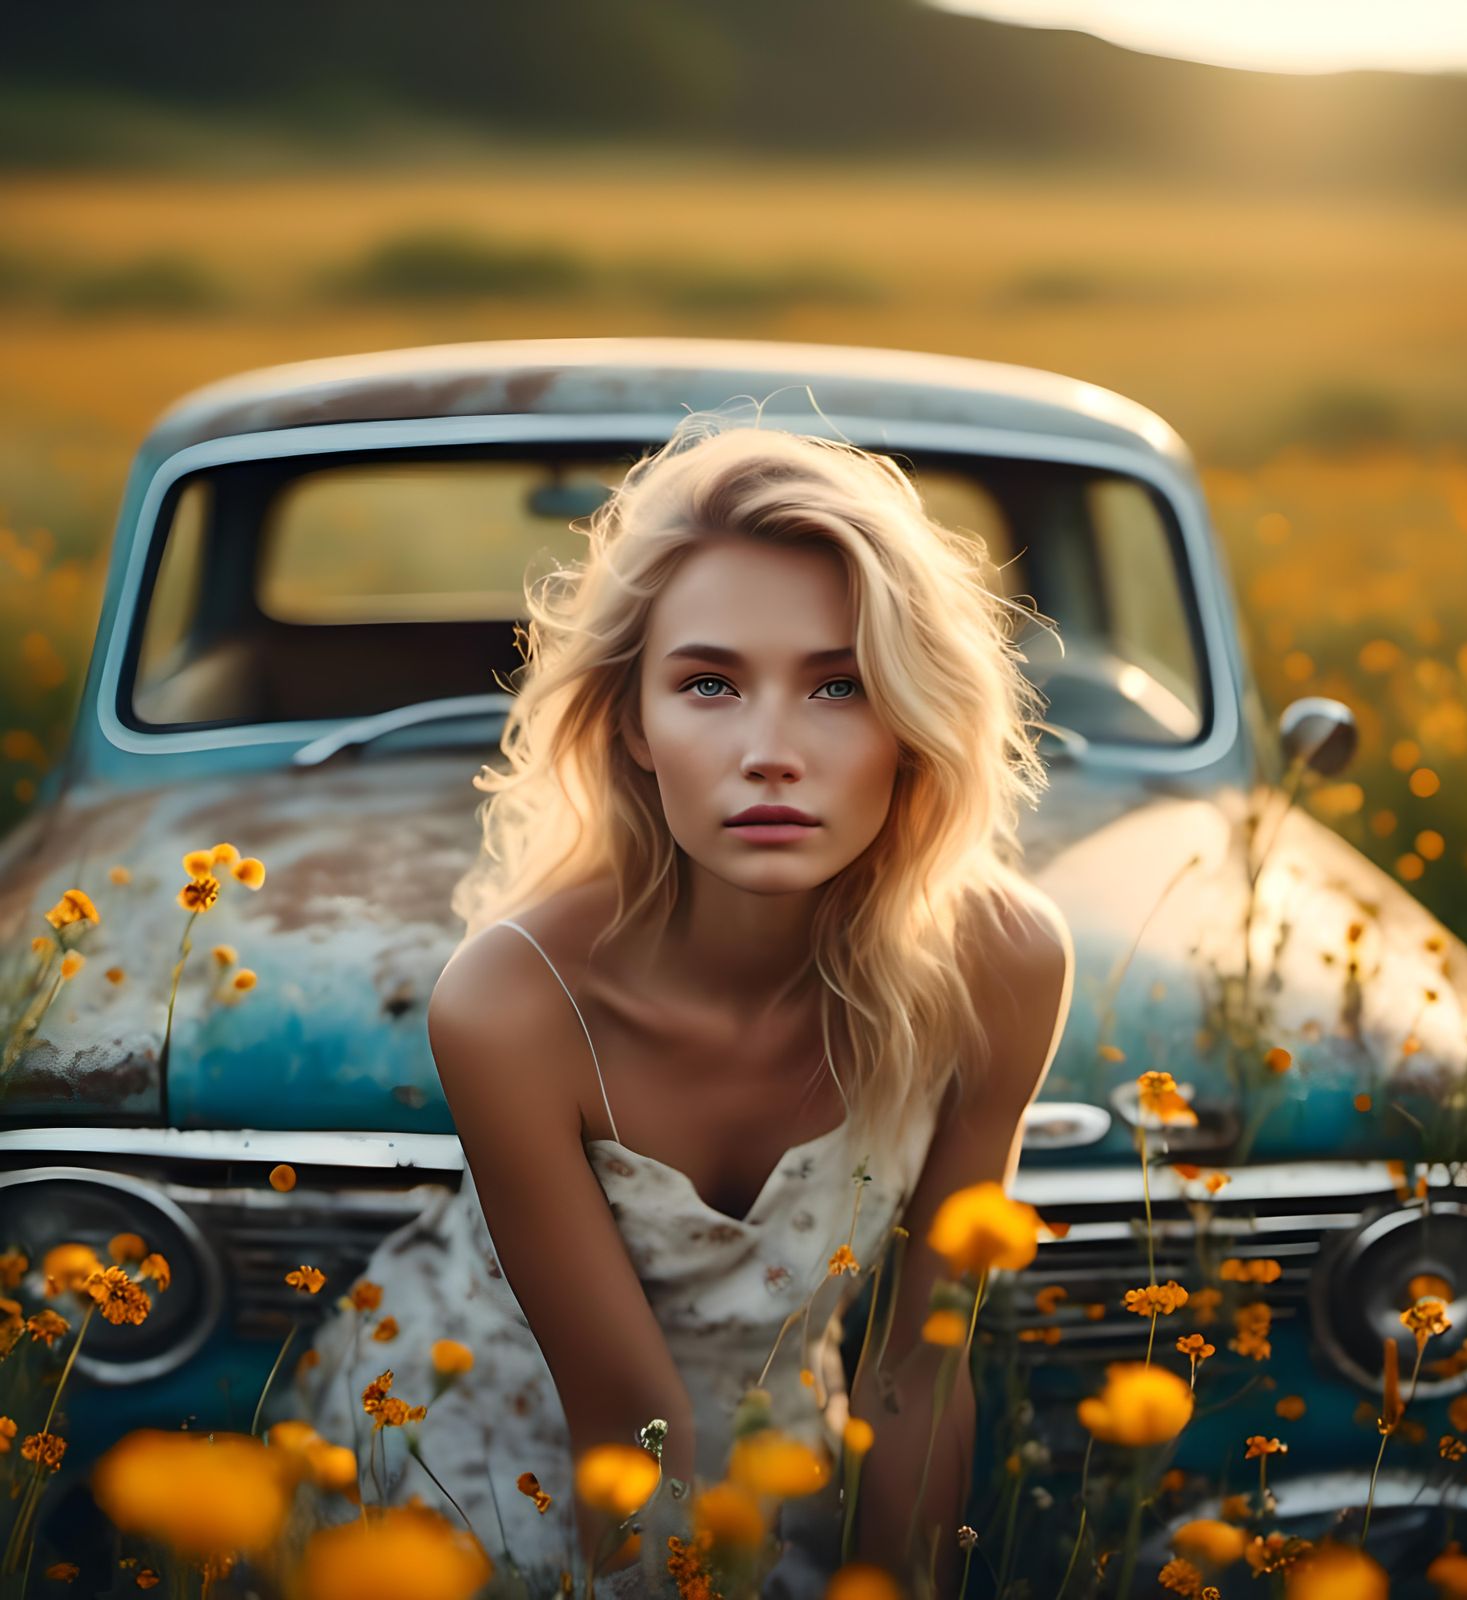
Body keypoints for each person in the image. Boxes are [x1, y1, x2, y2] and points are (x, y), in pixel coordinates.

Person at [282, 403, 1074, 1598]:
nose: (769, 750)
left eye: (839, 686)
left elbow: (918, 1364)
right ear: (632, 725)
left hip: (772, 1457)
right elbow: (628, 1421)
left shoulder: (1001, 961)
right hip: (473, 1456)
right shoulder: (510, 1002)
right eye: (708, 684)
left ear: (915, 724)